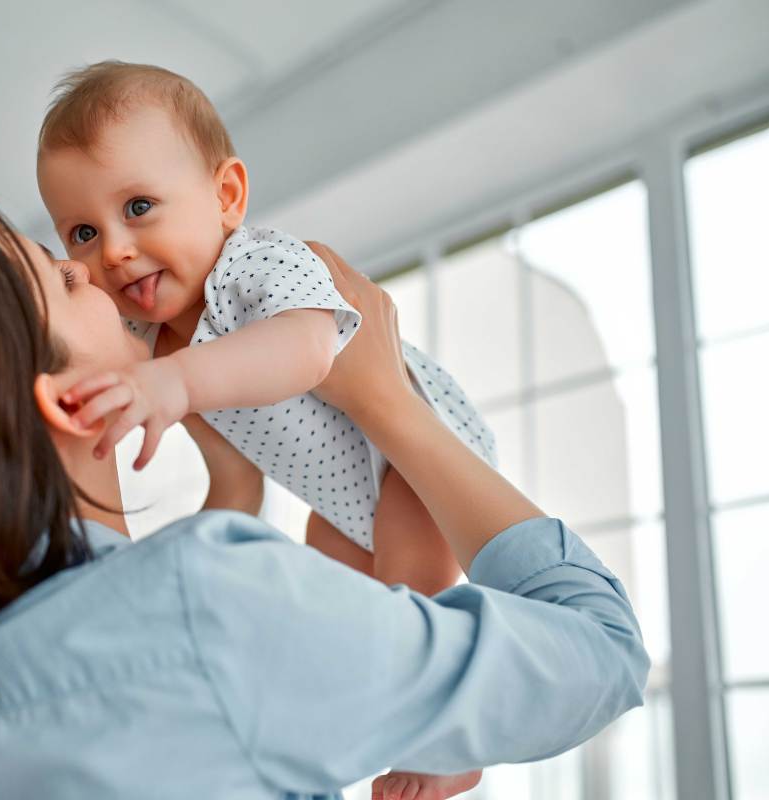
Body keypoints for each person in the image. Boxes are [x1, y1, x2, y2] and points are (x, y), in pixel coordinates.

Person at [0, 192, 648, 800]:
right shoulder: (213, 610)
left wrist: (233, 487)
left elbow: (166, 695)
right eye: (69, 276)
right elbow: (602, 654)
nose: (108, 269)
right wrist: (390, 403)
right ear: (66, 400)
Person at [37, 61, 495, 596]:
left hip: (410, 460)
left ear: (225, 197)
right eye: (84, 232)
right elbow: (232, 473)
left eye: (139, 207)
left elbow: (310, 345)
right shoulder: (142, 335)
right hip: (334, 501)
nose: (113, 251)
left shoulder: (254, 263)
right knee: (337, 614)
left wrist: (177, 382)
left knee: (408, 608)